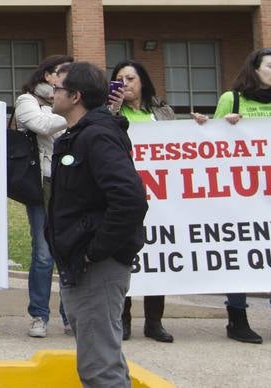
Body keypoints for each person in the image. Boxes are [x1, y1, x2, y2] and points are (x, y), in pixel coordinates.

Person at [192, 48, 271, 346]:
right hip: (239, 194)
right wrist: (222, 125)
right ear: (255, 69)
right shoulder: (232, 99)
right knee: (239, 254)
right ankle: (237, 319)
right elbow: (211, 143)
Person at [48, 61, 148, 388]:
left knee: (99, 369)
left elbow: (130, 200)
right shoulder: (78, 135)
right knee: (101, 361)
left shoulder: (97, 136)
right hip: (82, 264)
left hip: (97, 268)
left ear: (75, 96)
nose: (51, 93)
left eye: (57, 88)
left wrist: (95, 250)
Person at [104, 59, 174, 343]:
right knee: (126, 255)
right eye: (119, 79)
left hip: (160, 196)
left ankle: (154, 322)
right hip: (126, 194)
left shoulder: (163, 111)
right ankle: (124, 319)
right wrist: (113, 108)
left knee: (158, 257)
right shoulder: (108, 112)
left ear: (143, 81)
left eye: (130, 78)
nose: (126, 84)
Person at [13, 54, 73, 339]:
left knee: (70, 252)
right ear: (48, 75)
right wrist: (74, 112)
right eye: (62, 72)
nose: (66, 78)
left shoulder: (74, 102)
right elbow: (41, 125)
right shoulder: (27, 100)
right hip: (42, 184)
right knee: (43, 254)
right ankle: (39, 315)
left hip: (71, 184)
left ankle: (70, 315)